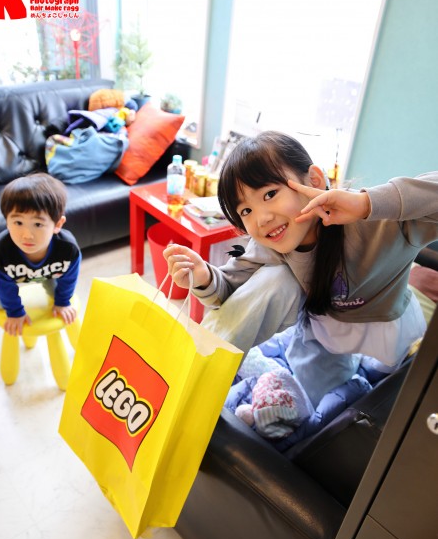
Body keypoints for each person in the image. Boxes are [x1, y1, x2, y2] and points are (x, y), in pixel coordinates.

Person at [164, 131, 438, 406]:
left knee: (385, 398)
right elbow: (230, 293)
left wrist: (367, 203)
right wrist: (203, 277)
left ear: (314, 180)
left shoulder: (380, 225)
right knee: (319, 402)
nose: (262, 219)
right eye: (246, 211)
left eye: (270, 194)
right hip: (324, 332)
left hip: (386, 325)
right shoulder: (269, 246)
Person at [0, 173, 81, 336]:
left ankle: (47, 284)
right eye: (18, 223)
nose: (27, 235)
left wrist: (63, 302)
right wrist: (15, 312)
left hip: (48, 273)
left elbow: (69, 278)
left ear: (57, 224)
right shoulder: (2, 250)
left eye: (38, 224)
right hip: (10, 276)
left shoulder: (68, 249)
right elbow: (6, 290)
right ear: (7, 221)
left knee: (58, 293)